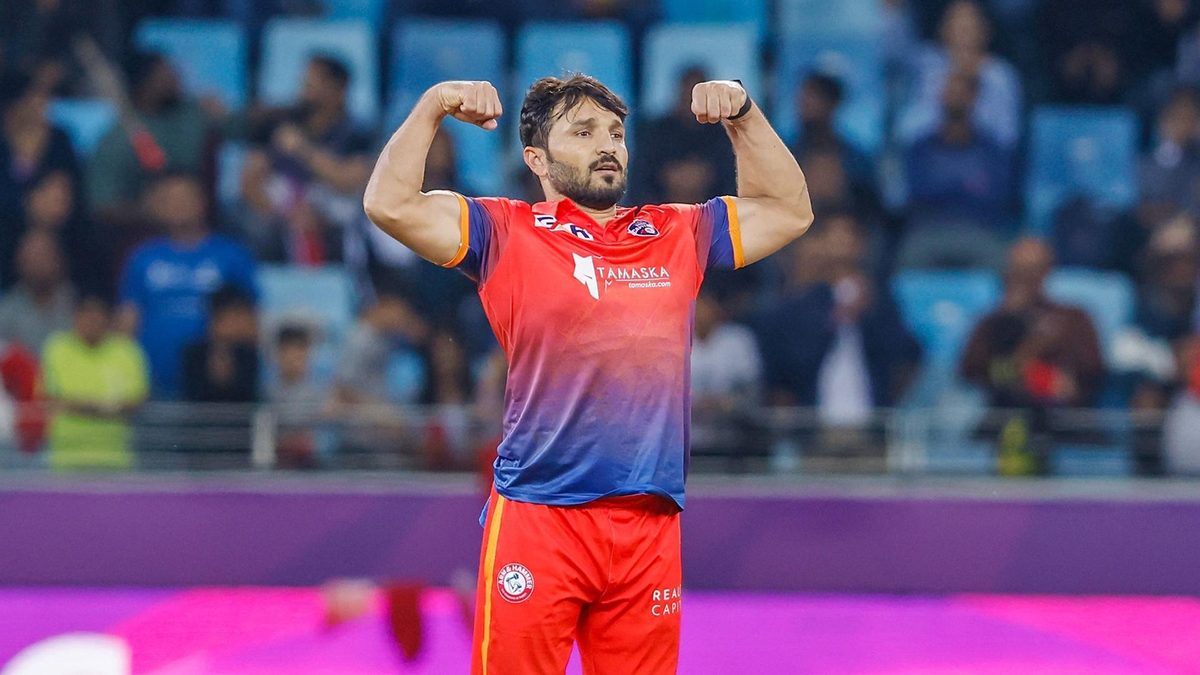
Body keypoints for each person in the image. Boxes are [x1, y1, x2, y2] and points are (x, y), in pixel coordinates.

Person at [364, 75, 812, 673]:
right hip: (539, 519)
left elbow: (789, 210)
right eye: (583, 132)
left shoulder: (676, 231)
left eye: (616, 133)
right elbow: (389, 204)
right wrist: (434, 104)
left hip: (649, 524)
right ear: (536, 159)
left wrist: (745, 115)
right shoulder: (504, 231)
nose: (607, 145)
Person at [753, 211, 921, 436]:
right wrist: (832, 321)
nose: (841, 245)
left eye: (849, 236)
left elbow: (906, 354)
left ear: (862, 244)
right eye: (833, 236)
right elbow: (787, 364)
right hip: (814, 428)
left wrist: (868, 315)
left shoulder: (879, 300)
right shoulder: (801, 304)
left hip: (870, 427)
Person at [959, 238, 1105, 474]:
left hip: (1063, 423)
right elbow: (974, 371)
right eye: (1017, 271)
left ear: (1047, 271)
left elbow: (1091, 372)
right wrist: (1021, 339)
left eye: (1031, 270)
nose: (1023, 278)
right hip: (1004, 420)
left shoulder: (1074, 319)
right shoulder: (992, 323)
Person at [117, 172, 258, 399]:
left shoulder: (231, 255)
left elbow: (251, 320)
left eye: (184, 198)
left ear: (202, 202)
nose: (178, 205)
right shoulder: (143, 257)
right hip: (153, 386)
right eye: (170, 199)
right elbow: (128, 320)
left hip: (213, 388)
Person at [238, 54, 374, 264]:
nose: (304, 87)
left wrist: (302, 149)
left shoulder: (359, 132)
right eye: (305, 80)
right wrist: (284, 212)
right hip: (283, 211)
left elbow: (349, 181)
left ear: (338, 89)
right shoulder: (278, 122)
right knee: (250, 222)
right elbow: (249, 181)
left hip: (332, 212)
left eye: (313, 81)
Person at [899, 69, 1015, 270]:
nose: (955, 97)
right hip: (929, 230)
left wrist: (943, 185)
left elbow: (996, 196)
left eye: (961, 92)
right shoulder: (920, 148)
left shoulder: (991, 150)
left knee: (1000, 262)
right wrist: (968, 185)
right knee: (910, 259)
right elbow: (918, 192)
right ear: (940, 95)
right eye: (950, 91)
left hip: (980, 230)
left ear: (974, 97)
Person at [40, 294, 149, 470]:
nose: (91, 324)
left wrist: (79, 405)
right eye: (86, 317)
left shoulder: (127, 351)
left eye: (97, 318)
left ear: (108, 320)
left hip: (115, 458)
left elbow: (136, 400)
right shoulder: (57, 348)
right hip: (65, 458)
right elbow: (50, 398)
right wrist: (106, 407)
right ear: (75, 318)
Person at [632, 65, 736, 204]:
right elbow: (639, 183)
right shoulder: (655, 134)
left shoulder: (725, 136)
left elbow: (733, 183)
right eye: (687, 98)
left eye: (697, 101)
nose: (692, 107)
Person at [0, 230, 75, 354]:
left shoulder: (78, 305)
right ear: (19, 262)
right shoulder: (5, 311)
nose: (38, 264)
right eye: (31, 257)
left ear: (59, 259)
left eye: (43, 256)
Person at [181, 286, 260, 404]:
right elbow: (192, 396)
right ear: (215, 319)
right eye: (233, 317)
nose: (240, 324)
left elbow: (248, 397)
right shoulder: (192, 354)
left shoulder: (248, 355)